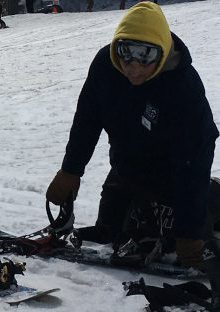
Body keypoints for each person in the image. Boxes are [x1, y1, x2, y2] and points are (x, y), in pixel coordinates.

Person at [46, 2, 219, 269]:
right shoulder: (106, 67)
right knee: (112, 231)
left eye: (146, 56)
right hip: (126, 172)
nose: (133, 67)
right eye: (126, 54)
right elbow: (87, 120)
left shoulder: (184, 89)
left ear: (161, 52)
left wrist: (190, 232)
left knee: (176, 237)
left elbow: (195, 160)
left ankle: (212, 200)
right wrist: (71, 170)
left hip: (174, 178)